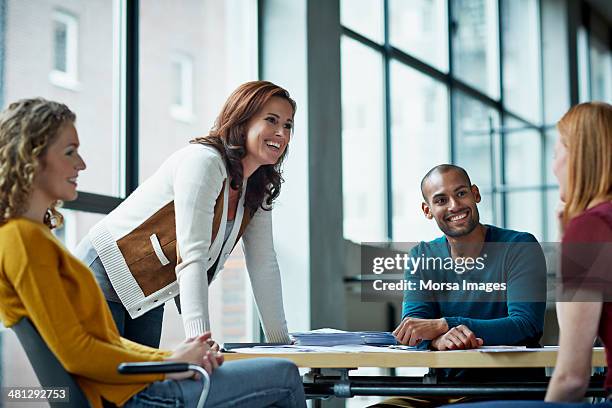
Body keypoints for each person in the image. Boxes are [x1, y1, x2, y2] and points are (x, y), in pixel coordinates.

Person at [0, 98, 307, 408]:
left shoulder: (34, 238)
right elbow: (79, 352)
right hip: (121, 356)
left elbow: (263, 262)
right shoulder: (23, 241)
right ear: (31, 158)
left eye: (288, 125)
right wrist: (184, 355)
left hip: (143, 323)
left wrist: (174, 360)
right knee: (281, 376)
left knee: (276, 373)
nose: (81, 164)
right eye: (70, 152)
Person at [75, 80, 295, 347]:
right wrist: (199, 340)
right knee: (108, 385)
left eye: (287, 125)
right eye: (271, 120)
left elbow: (263, 263)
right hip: (98, 276)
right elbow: (193, 256)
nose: (281, 133)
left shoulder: (257, 185)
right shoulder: (205, 162)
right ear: (243, 120)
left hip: (147, 289)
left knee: (141, 387)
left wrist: (281, 344)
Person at [448, 102, 612, 407]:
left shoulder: (591, 228)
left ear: (578, 156)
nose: (554, 166)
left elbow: (572, 377)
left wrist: (571, 241)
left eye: (555, 153)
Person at [372, 164, 547, 407]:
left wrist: (447, 325)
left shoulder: (519, 246)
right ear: (428, 210)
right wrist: (437, 340)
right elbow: (414, 327)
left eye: (461, 193)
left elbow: (526, 325)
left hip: (507, 390)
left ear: (475, 194)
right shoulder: (421, 255)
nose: (454, 205)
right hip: (440, 390)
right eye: (441, 200)